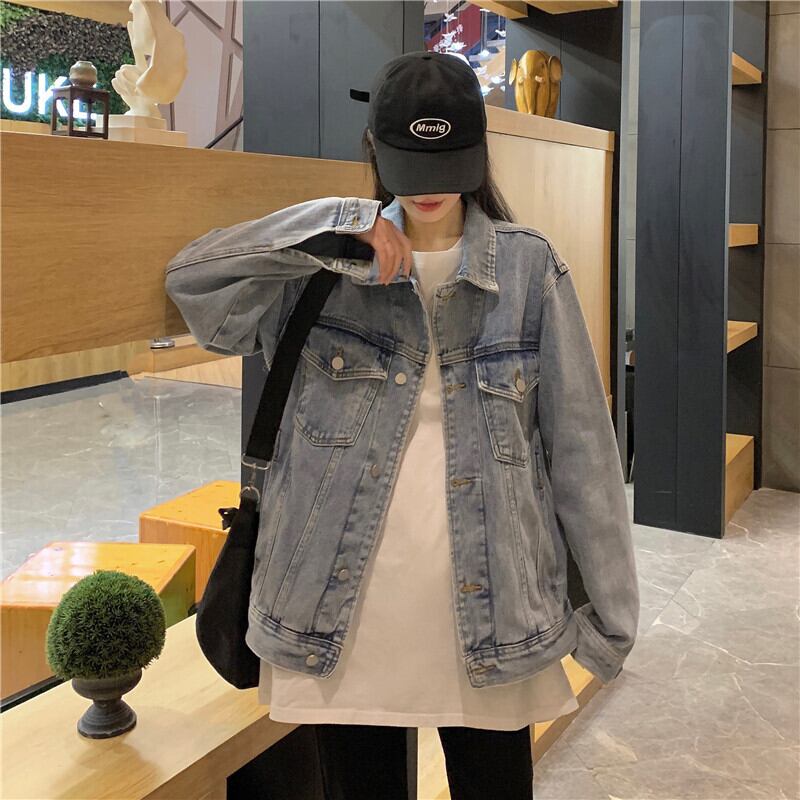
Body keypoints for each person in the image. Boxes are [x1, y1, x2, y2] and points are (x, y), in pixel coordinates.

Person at [165, 50, 639, 800]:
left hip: (493, 606)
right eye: (411, 166)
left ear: (479, 154)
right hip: (340, 609)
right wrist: (332, 224)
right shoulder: (322, 267)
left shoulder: (528, 270)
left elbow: (580, 448)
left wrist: (611, 614)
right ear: (376, 153)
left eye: (448, 164)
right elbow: (193, 284)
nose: (429, 189)